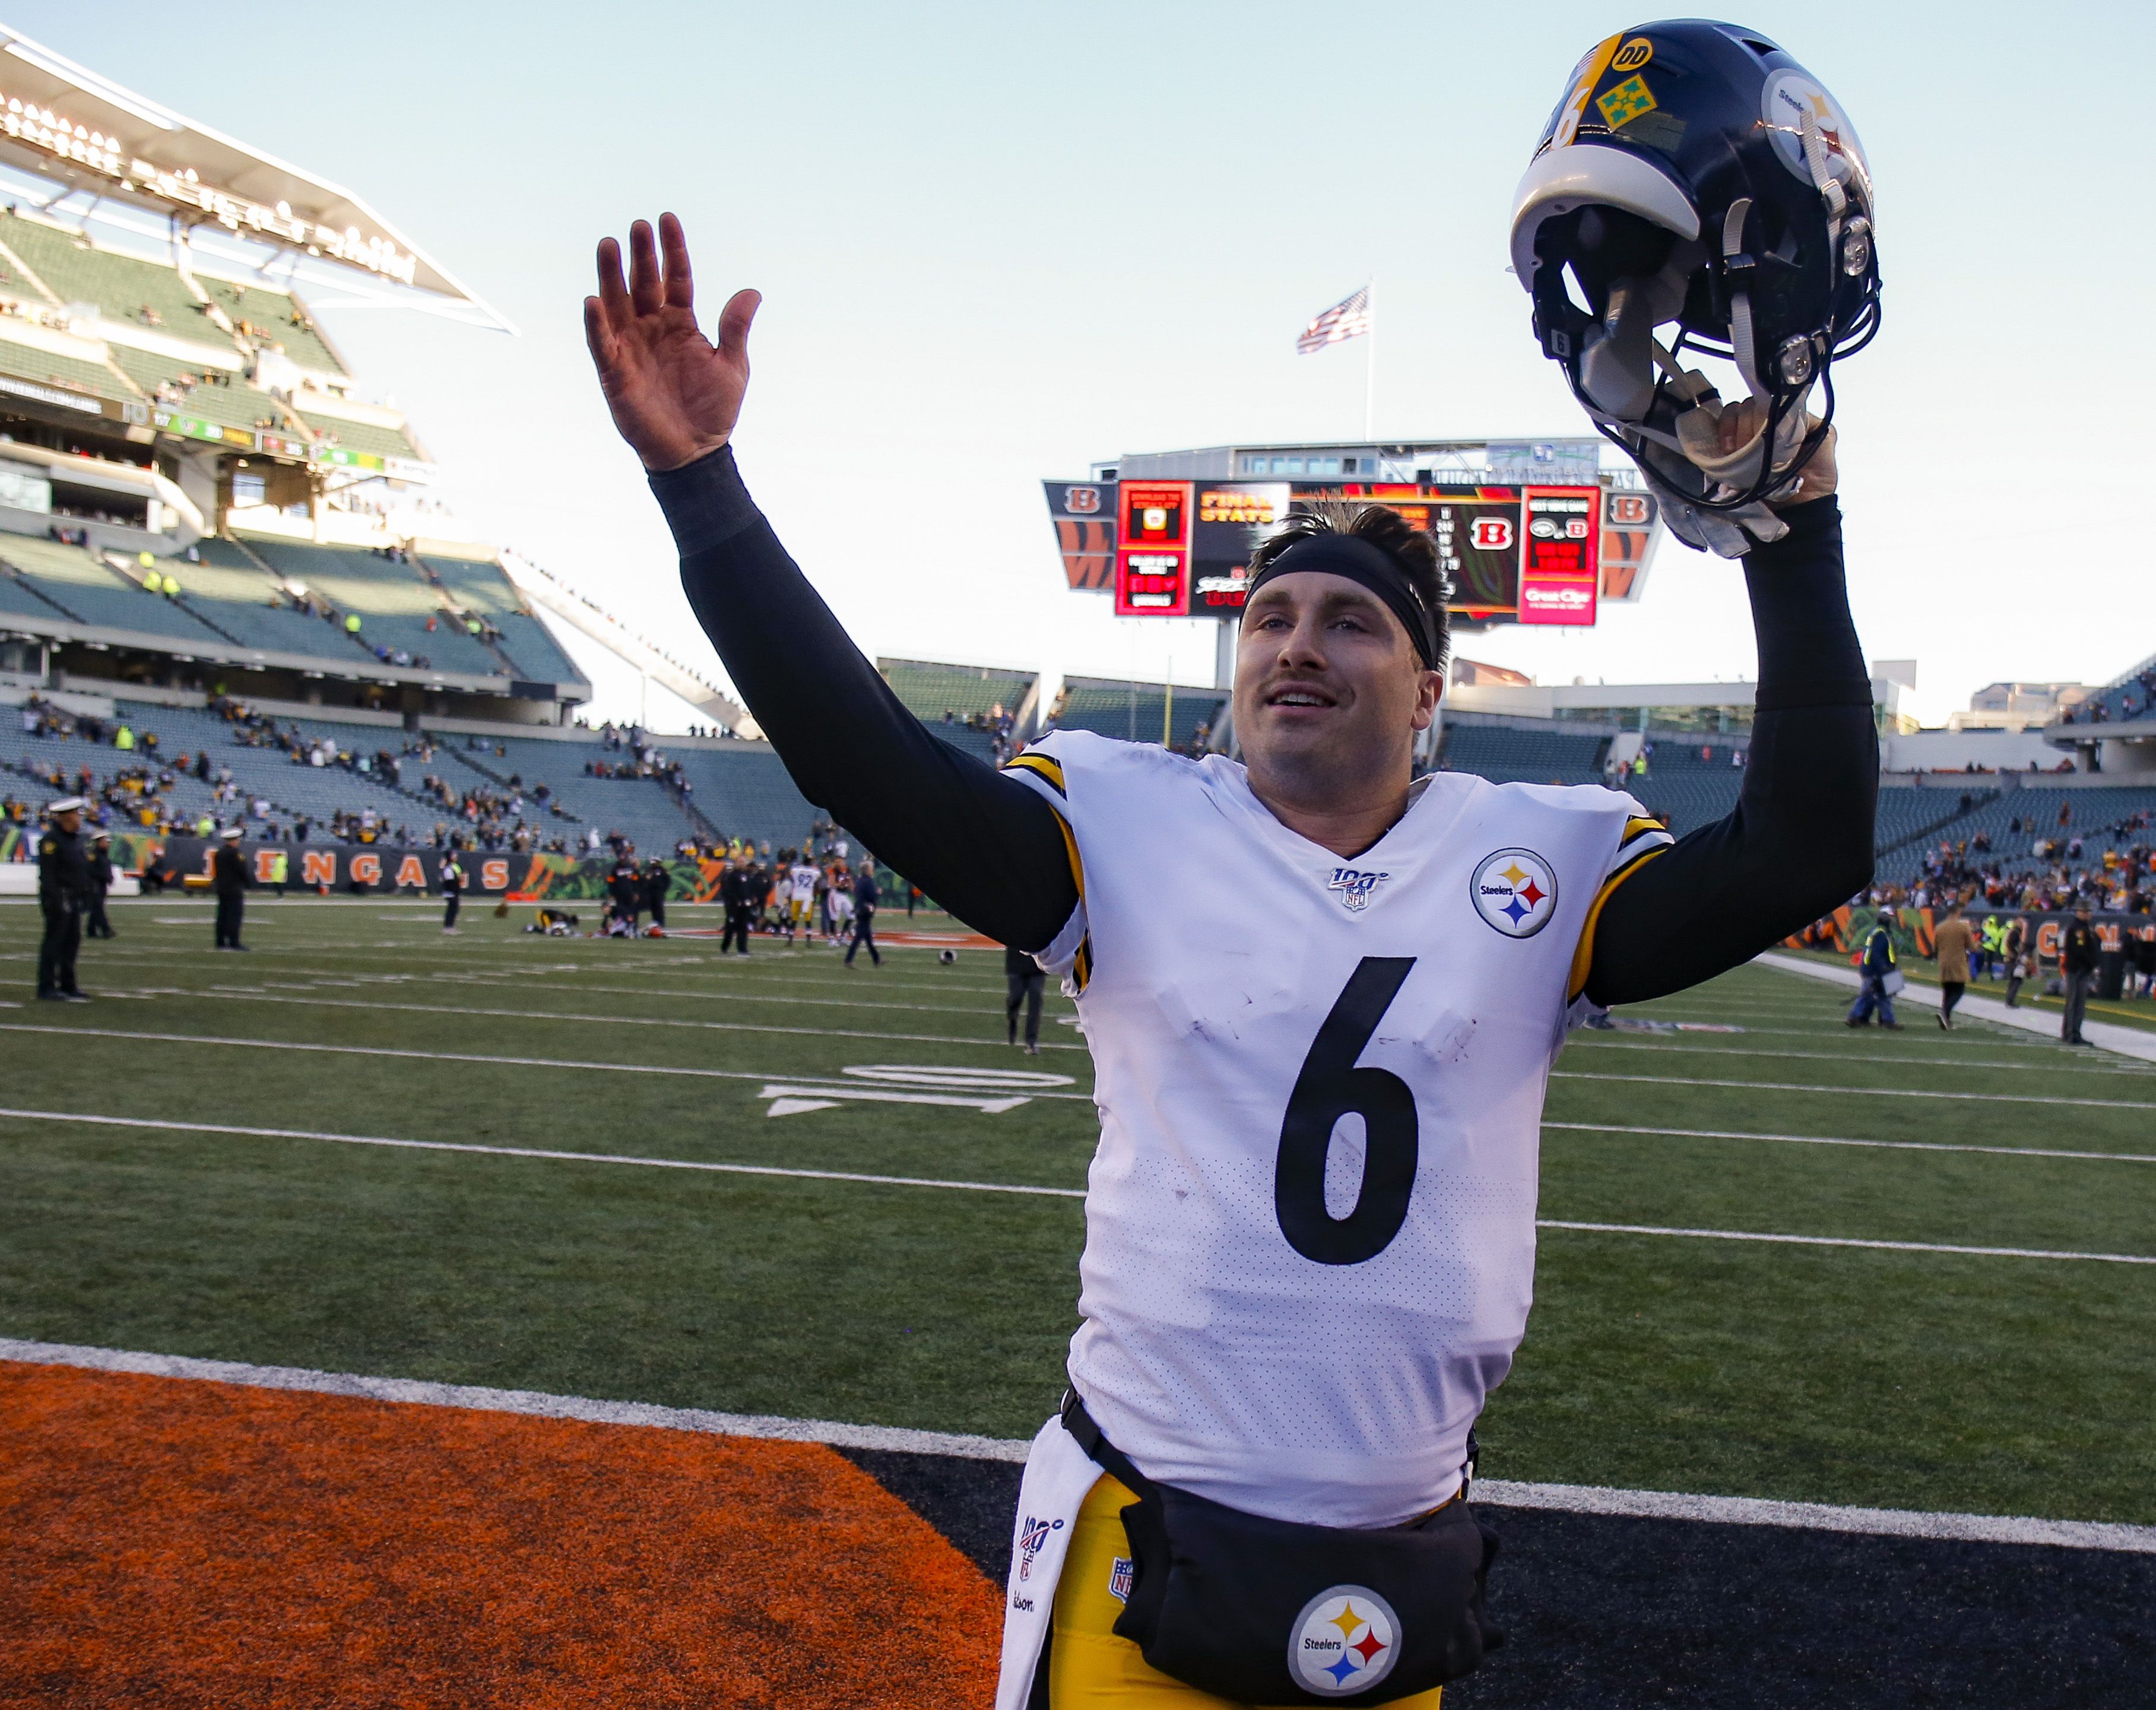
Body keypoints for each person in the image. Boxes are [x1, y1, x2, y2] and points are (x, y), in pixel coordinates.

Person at [584, 203, 1873, 1709]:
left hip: (1395, 1559)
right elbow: (863, 761)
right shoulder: (1123, 821)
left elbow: (1802, 849)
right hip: (1151, 1534)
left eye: (1348, 621)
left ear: (1431, 691)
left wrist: (1793, 535)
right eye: (1266, 617)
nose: (1295, 645)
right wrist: (702, 489)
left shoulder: (1541, 849)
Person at [34, 798, 93, 1002]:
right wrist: (55, 899)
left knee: (71, 943)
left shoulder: (75, 840)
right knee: (54, 943)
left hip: (74, 899)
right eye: (77, 814)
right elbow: (48, 874)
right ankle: (47, 987)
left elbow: (80, 870)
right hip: (60, 899)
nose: (80, 819)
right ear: (66, 817)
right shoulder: (51, 841)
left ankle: (68, 985)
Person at [1846, 916, 1901, 1028]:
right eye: (1890, 918)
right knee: (1878, 995)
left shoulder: (1879, 931)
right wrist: (1884, 969)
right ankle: (1886, 1020)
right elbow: (1876, 954)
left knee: (1872, 995)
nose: (1892, 921)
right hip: (1876, 970)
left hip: (1873, 969)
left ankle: (1862, 1018)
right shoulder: (1881, 934)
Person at [2060, 905, 2101, 1045]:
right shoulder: (2078, 929)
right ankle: (2071, 1033)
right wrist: (2090, 963)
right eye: (2086, 911)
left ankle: (2073, 1032)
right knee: (2074, 1002)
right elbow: (2080, 950)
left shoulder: (2085, 928)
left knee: (2077, 1002)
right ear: (2079, 912)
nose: (2089, 914)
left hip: (2080, 968)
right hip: (2078, 969)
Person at [1932, 905, 1971, 1030]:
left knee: (1947, 991)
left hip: (1944, 962)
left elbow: (1935, 947)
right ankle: (1945, 1011)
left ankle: (1946, 1021)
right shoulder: (1963, 927)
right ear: (1958, 912)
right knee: (1959, 990)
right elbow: (1971, 945)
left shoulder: (1939, 927)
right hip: (1958, 962)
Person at [211, 825, 249, 951]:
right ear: (234, 840)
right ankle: (234, 941)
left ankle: (220, 941)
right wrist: (248, 883)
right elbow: (242, 870)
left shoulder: (219, 853)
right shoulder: (235, 854)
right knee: (234, 916)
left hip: (222, 888)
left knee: (222, 915)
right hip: (234, 888)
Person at [1006, 943, 1045, 1054]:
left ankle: (1031, 1041)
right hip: (1016, 962)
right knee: (1015, 998)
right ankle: (1012, 1020)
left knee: (1035, 1003)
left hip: (1037, 965)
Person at [844, 857, 881, 967]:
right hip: (865, 912)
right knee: (859, 937)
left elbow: (856, 892)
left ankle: (877, 959)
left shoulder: (860, 880)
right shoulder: (868, 881)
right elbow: (872, 896)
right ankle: (848, 960)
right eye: (871, 868)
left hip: (860, 910)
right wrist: (878, 893)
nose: (872, 870)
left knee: (868, 939)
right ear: (868, 870)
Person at [83, 831, 116, 939]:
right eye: (106, 841)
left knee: (96, 908)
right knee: (98, 908)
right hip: (94, 885)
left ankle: (91, 930)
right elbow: (90, 870)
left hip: (101, 885)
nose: (108, 844)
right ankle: (106, 929)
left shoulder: (103, 854)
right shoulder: (94, 855)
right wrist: (104, 876)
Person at [787, 850, 820, 944]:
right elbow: (818, 881)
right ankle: (809, 941)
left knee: (794, 919)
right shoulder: (815, 871)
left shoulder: (795, 869)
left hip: (797, 895)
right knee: (808, 920)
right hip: (807, 897)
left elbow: (790, 875)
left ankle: (790, 940)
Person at [2001, 914, 2029, 1008]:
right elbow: (2010, 945)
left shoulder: (2014, 932)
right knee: (2016, 980)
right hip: (2013, 960)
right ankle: (2010, 1000)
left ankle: (2009, 1000)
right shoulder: (2015, 932)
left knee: (2015, 980)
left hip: (2011, 958)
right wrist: (2016, 956)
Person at [440, 849, 465, 934]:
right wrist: (455, 891)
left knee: (454, 909)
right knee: (452, 909)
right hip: (450, 892)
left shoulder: (453, 866)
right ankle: (448, 927)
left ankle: (450, 926)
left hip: (453, 892)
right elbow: (450, 882)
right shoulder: (449, 868)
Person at [644, 857, 671, 932]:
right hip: (651, 892)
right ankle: (655, 923)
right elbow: (645, 880)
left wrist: (664, 889)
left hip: (659, 892)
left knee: (659, 908)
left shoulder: (663, 870)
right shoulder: (649, 870)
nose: (653, 864)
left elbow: (668, 881)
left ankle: (661, 923)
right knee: (653, 908)